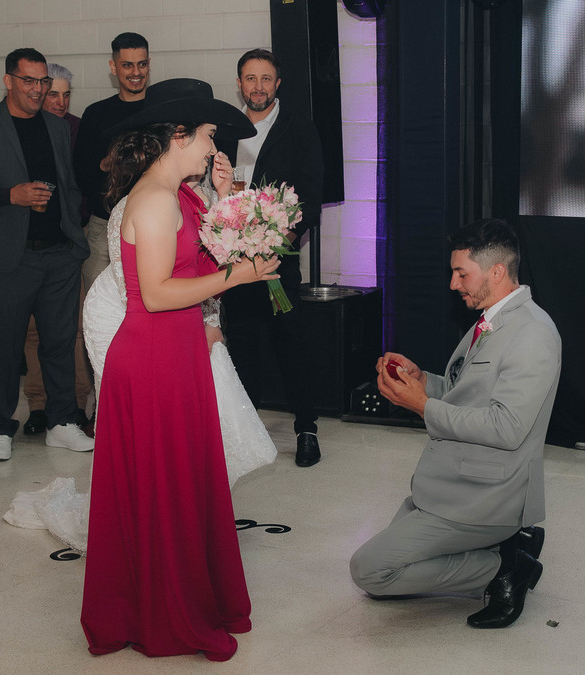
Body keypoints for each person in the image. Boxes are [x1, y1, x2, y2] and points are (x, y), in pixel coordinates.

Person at [81, 78, 278, 661]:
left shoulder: (179, 194)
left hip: (176, 350)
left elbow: (200, 251)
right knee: (163, 491)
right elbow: (158, 293)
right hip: (152, 357)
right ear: (178, 135)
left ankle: (184, 600)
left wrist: (228, 202)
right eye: (209, 135)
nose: (214, 146)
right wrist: (238, 276)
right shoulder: (155, 200)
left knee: (179, 485)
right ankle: (165, 615)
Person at [349, 218, 562, 630]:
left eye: (462, 273)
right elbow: (463, 391)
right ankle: (504, 549)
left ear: (496, 272)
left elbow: (507, 427)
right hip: (447, 484)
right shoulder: (490, 319)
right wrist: (422, 380)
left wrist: (423, 406)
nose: (453, 284)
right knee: (393, 573)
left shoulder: (533, 334)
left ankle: (504, 567)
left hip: (484, 497)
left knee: (370, 572)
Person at [83, 155, 276, 487]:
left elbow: (204, 265)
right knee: (141, 425)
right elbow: (137, 288)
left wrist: (225, 196)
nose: (212, 151)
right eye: (207, 137)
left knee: (183, 422)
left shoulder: (198, 198)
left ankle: (180, 492)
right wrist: (202, 319)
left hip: (178, 307)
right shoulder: (144, 202)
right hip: (119, 312)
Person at [0, 47, 93, 460]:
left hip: (60, 254)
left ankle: (62, 423)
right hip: (10, 257)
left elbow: (68, 184)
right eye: (29, 80)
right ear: (8, 80)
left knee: (59, 343)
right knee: (6, 346)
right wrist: (8, 196)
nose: (38, 89)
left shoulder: (57, 126)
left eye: (43, 81)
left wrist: (73, 235)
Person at [217, 48, 325, 467]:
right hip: (235, 261)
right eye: (250, 78)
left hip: (279, 261)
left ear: (277, 84)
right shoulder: (226, 130)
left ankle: (307, 429)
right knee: (242, 345)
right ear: (239, 83)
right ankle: (246, 436)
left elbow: (311, 198)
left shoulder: (299, 128)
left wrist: (280, 240)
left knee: (291, 344)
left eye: (266, 79)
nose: (258, 86)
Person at [22, 61, 95, 437]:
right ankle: (37, 405)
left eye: (67, 95)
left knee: (75, 327)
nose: (61, 102)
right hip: (28, 241)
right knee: (33, 332)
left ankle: (78, 402)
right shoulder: (21, 128)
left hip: (71, 238)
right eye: (54, 94)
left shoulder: (79, 130)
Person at [74, 32, 151, 295]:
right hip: (104, 227)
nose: (136, 72)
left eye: (142, 64)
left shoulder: (162, 111)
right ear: (113, 67)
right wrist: (106, 165)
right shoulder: (95, 114)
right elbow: (80, 177)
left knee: (149, 302)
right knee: (99, 302)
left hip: (155, 225)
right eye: (127, 65)